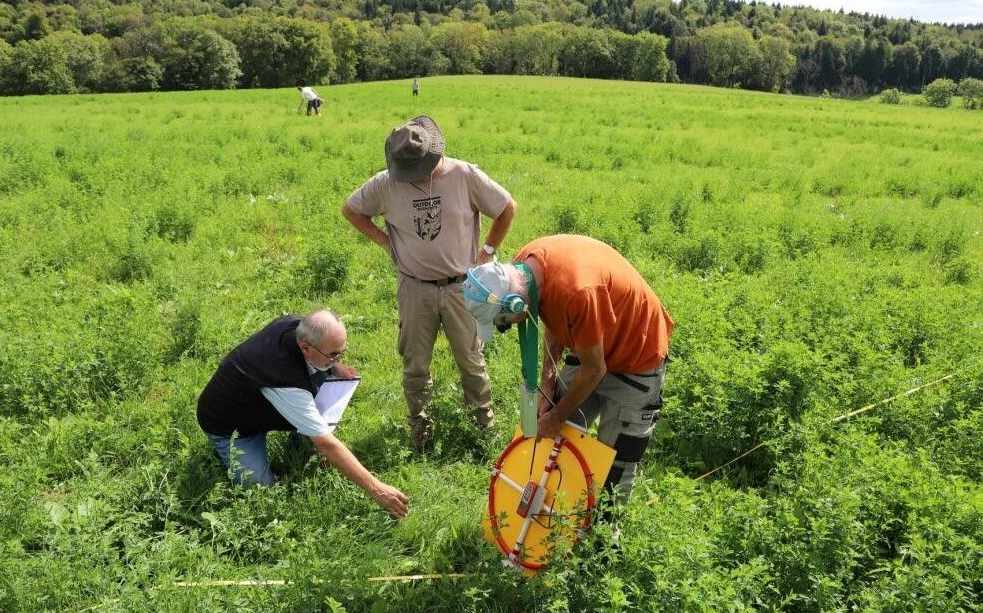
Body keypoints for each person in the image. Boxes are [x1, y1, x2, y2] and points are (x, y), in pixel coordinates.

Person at [341, 115, 516, 449]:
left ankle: (481, 425)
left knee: (471, 359)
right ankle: (419, 425)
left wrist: (488, 251)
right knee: (415, 362)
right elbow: (351, 210)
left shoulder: (463, 174)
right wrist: (383, 241)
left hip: (460, 286)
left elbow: (506, 207)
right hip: (415, 287)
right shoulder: (385, 183)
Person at [463, 234, 674, 506]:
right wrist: (547, 381)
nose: (506, 327)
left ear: (515, 302)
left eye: (503, 323)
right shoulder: (523, 269)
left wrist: (556, 418)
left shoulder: (577, 291)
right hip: (590, 343)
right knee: (551, 430)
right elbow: (552, 313)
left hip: (636, 356)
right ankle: (559, 516)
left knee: (616, 464)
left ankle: (606, 540)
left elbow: (595, 369)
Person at [196, 310, 409, 518]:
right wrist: (377, 489)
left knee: (322, 384)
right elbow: (326, 444)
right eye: (334, 354)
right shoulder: (285, 380)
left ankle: (301, 435)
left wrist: (335, 367)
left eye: (342, 351)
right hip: (233, 426)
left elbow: (322, 358)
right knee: (259, 491)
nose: (338, 358)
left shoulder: (298, 326)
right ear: (305, 347)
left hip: (261, 400)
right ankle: (293, 436)